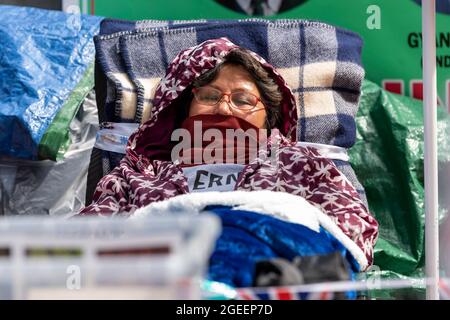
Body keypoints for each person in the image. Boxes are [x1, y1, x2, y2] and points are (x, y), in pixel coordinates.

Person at [79, 38, 378, 266]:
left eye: (243, 100)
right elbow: (86, 238)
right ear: (183, 110)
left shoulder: (302, 165)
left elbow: (353, 231)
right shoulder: (140, 174)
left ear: (268, 118)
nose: (223, 107)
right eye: (209, 96)